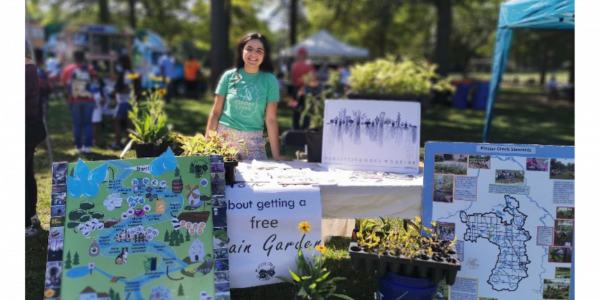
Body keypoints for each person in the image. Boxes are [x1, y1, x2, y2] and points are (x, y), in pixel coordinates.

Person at [205, 32, 281, 161]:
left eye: (259, 51)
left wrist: (277, 156)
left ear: (265, 54)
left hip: (254, 144)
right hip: (224, 140)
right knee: (222, 180)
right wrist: (207, 146)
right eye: (249, 49)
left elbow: (271, 119)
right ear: (242, 51)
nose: (253, 54)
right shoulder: (228, 76)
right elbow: (216, 112)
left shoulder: (270, 80)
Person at [61, 49, 101, 154]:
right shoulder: (90, 69)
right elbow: (95, 83)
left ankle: (79, 147)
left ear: (73, 57)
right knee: (88, 123)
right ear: (84, 57)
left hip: (74, 100)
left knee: (77, 124)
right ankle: (88, 147)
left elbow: (64, 84)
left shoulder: (68, 69)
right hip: (89, 99)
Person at [24, 39, 41, 239]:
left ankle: (27, 225)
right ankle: (32, 215)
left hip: (27, 130)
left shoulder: (28, 72)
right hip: (29, 130)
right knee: (27, 173)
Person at [110, 54, 136, 150]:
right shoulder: (129, 72)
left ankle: (118, 142)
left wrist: (117, 90)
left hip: (124, 101)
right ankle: (128, 142)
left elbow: (127, 88)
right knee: (129, 122)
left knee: (117, 121)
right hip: (129, 100)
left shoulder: (126, 73)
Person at [290, 47, 316, 130]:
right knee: (306, 109)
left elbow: (292, 77)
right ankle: (305, 127)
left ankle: (295, 127)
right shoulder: (308, 65)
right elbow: (313, 77)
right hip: (305, 88)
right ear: (305, 55)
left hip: (296, 88)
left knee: (296, 109)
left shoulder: (294, 65)